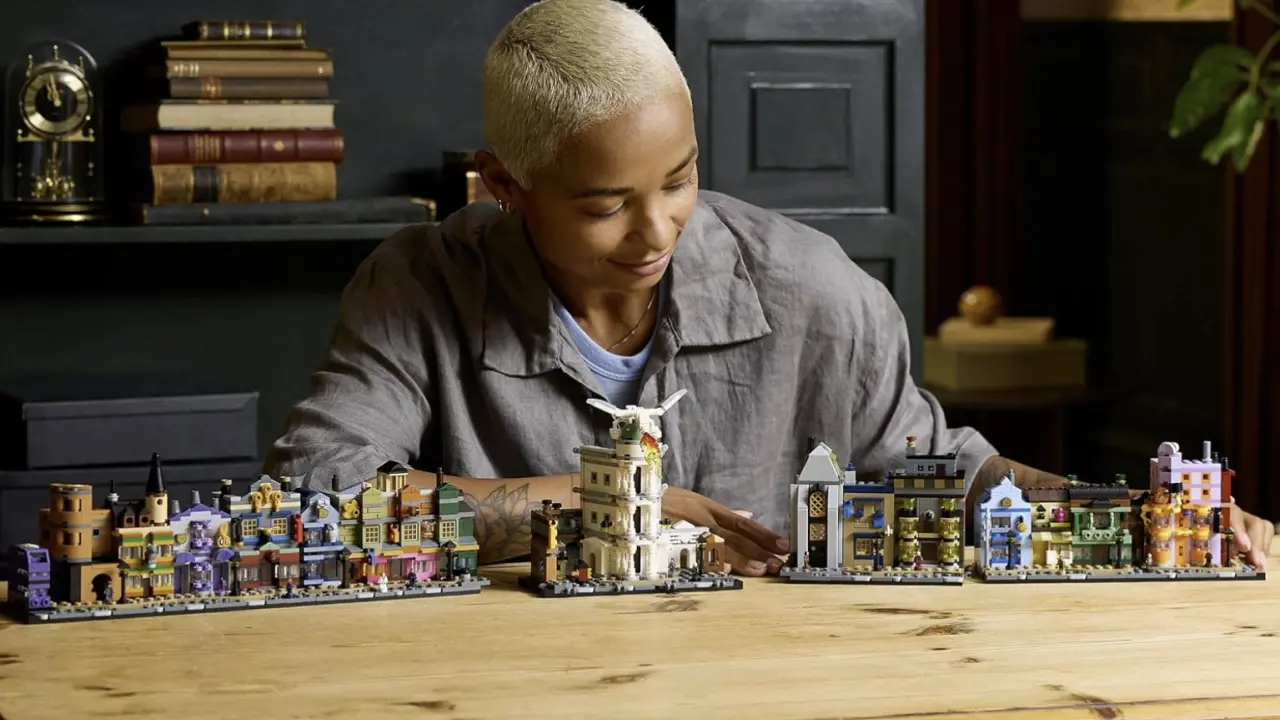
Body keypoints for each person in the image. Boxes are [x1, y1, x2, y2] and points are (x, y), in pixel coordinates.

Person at [264, 0, 1276, 574]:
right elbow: (319, 489)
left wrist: (1139, 513)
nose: (656, 231)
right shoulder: (420, 283)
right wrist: (616, 504)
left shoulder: (810, 286)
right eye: (606, 205)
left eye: (679, 179)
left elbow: (943, 473)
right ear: (503, 184)